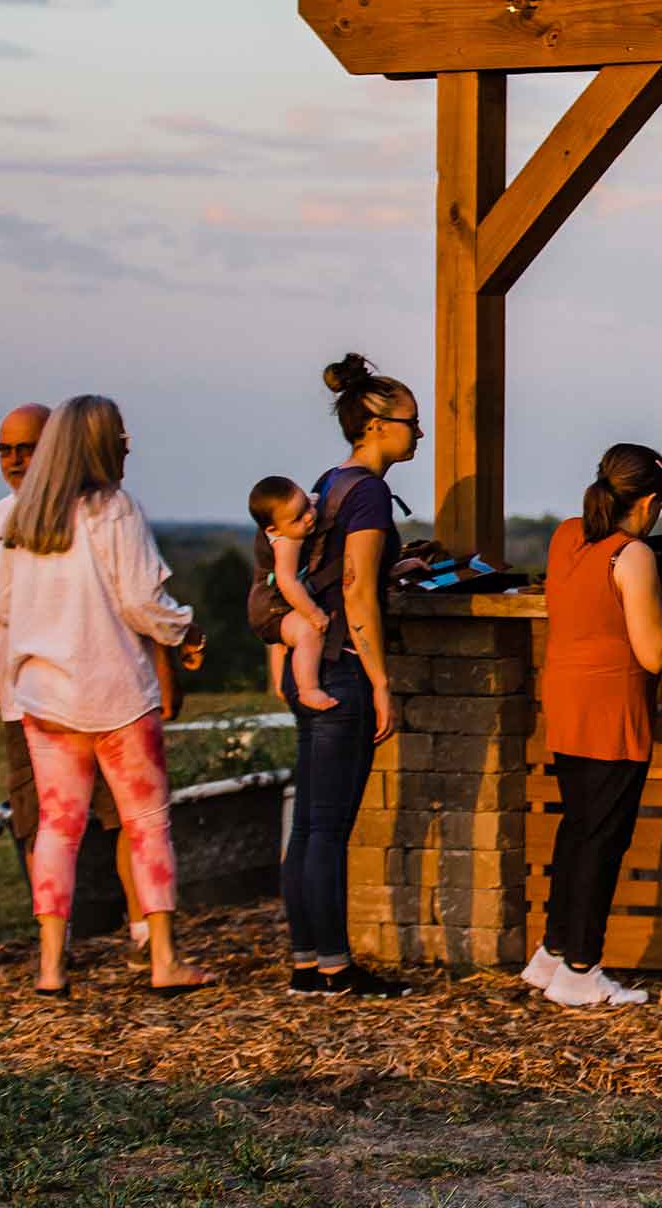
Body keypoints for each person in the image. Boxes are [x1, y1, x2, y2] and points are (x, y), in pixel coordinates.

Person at [0, 394, 213, 997]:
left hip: (44, 696)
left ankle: (50, 966)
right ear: (100, 444)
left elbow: (4, 607)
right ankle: (163, 957)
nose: (128, 443)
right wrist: (185, 631)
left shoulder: (23, 519)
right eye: (121, 434)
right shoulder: (114, 509)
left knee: (58, 830)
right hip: (116, 694)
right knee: (146, 823)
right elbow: (142, 600)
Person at [0, 403, 153, 967]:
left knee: (128, 820)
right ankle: (54, 950)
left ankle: (144, 933)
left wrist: (161, 668)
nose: (14, 461)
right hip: (31, 703)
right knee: (43, 824)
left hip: (113, 694)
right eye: (4, 450)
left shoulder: (99, 513)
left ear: (56, 446)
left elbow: (134, 599)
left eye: (27, 447)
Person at [527, 445, 662, 1009]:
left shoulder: (567, 535)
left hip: (567, 698)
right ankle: (581, 969)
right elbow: (653, 654)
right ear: (647, 501)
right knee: (603, 841)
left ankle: (552, 951)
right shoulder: (634, 555)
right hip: (613, 708)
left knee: (577, 830)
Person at [281, 353, 416, 999]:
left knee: (308, 822)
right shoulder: (368, 490)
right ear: (376, 424)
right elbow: (358, 586)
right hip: (344, 669)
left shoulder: (329, 482)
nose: (418, 434)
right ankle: (337, 967)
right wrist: (381, 678)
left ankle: (308, 960)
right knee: (330, 827)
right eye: (411, 423)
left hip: (311, 663)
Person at [243, 477, 335, 712]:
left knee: (283, 640)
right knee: (308, 631)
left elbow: (306, 505)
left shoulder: (288, 520)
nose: (308, 516)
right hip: (271, 607)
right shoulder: (286, 542)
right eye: (298, 518)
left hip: (273, 601)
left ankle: (280, 684)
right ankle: (308, 689)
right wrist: (314, 614)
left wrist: (312, 501)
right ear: (273, 529)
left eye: (306, 505)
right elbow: (287, 581)